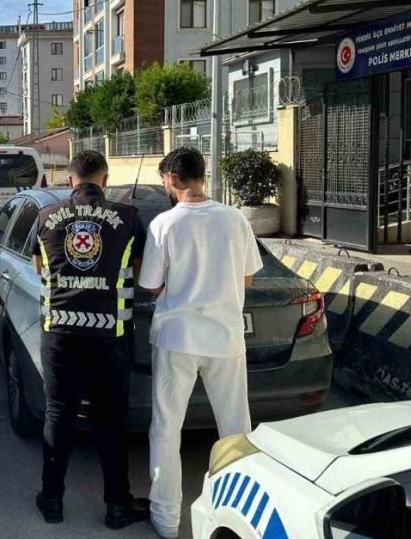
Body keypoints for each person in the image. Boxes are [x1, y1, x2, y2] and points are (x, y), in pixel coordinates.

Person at [137, 147, 264, 539]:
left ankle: (167, 517)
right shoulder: (234, 219)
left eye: (165, 181)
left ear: (172, 179)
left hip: (178, 339)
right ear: (201, 176)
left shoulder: (164, 224)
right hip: (226, 337)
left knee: (166, 428)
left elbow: (151, 285)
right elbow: (247, 279)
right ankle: (240, 514)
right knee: (235, 428)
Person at [33, 149, 149, 529]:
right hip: (110, 336)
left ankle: (52, 500)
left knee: (58, 414)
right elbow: (137, 272)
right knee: (111, 420)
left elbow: (39, 268)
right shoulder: (129, 217)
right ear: (105, 179)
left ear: (70, 180)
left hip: (60, 333)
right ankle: (117, 505)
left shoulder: (45, 217)